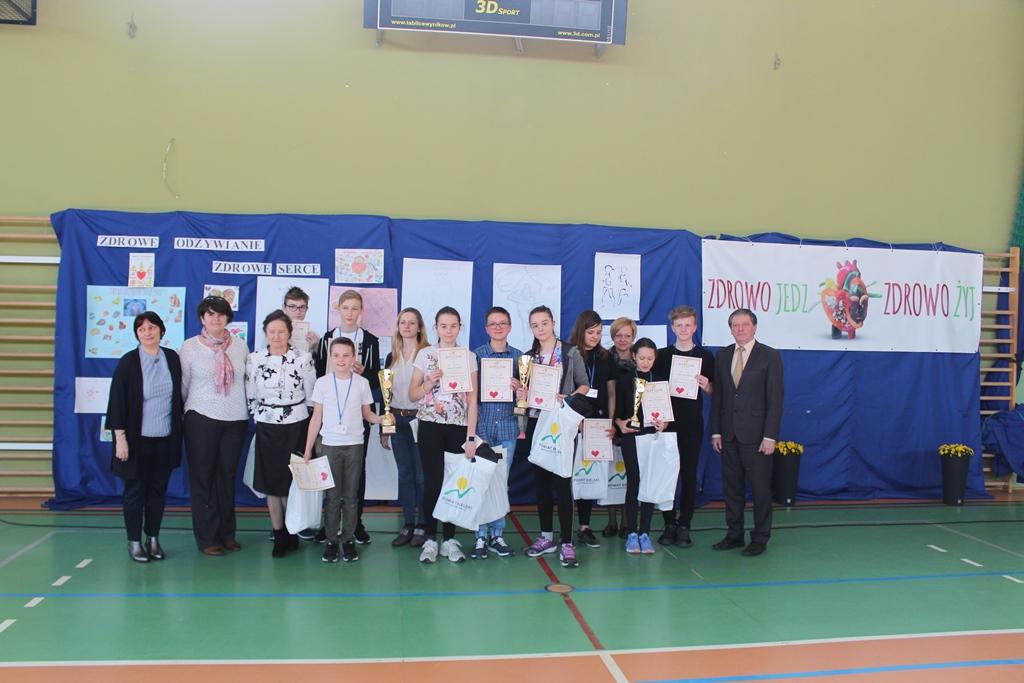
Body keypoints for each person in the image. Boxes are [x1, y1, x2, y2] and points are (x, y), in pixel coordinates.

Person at [105, 312, 183, 563]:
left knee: (158, 492)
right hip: (136, 442)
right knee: (135, 492)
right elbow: (117, 402)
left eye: (152, 327)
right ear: (137, 334)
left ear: (161, 330)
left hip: (165, 439)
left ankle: (153, 538)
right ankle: (134, 542)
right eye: (142, 329)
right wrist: (120, 438)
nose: (147, 332)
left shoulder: (172, 358)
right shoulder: (129, 362)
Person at [710, 308, 784, 557]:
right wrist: (716, 432)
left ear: (755, 327)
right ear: (730, 329)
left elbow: (775, 400)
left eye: (745, 324)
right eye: (735, 325)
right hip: (728, 435)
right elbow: (719, 397)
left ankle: (760, 537)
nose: (740, 329)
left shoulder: (770, 356)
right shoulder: (722, 356)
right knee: (732, 489)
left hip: (757, 437)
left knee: (760, 490)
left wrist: (770, 436)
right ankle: (734, 535)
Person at [303, 337, 384, 563]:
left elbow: (367, 414)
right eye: (336, 355)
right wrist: (308, 449)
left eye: (346, 355)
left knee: (350, 496)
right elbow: (316, 418)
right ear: (330, 357)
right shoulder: (323, 383)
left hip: (354, 445)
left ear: (353, 358)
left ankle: (348, 540)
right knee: (332, 497)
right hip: (329, 445)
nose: (341, 360)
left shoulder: (362, 383)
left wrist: (382, 419)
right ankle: (331, 541)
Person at [409, 306, 479, 564]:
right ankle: (430, 538)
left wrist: (470, 437)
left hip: (458, 427)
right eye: (443, 326)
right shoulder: (425, 354)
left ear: (460, 327)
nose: (448, 331)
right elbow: (412, 394)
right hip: (430, 425)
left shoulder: (468, 357)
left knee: (453, 483)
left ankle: (449, 539)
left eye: (453, 326)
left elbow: (473, 401)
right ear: (436, 328)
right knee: (432, 482)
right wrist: (428, 383)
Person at [521, 305, 590, 568]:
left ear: (553, 323)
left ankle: (567, 542)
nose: (540, 328)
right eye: (535, 325)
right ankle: (546, 537)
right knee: (541, 485)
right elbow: (525, 391)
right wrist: (520, 391)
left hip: (561, 424)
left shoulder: (570, 352)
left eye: (544, 323)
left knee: (562, 484)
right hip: (537, 423)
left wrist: (568, 397)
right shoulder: (528, 358)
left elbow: (585, 385)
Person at [180, 295, 249, 556]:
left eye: (220, 314)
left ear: (228, 318)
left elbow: (246, 382)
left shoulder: (240, 346)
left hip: (235, 419)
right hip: (201, 417)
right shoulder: (189, 347)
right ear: (202, 318)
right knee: (203, 477)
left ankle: (227, 534)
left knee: (227, 477)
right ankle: (208, 538)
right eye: (210, 314)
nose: (215, 318)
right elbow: (184, 385)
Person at [245, 309, 316, 558]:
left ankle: (292, 529)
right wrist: (260, 416)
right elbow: (250, 394)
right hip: (267, 425)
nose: (276, 336)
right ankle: (278, 534)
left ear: (289, 333)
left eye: (281, 332)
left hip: (296, 425)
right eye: (272, 332)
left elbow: (311, 396)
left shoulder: (303, 358)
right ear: (266, 333)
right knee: (271, 484)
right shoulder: (255, 359)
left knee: (291, 483)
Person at [312, 289, 380, 544]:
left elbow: (376, 379)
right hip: (331, 419)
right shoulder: (326, 339)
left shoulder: (370, 341)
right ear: (338, 309)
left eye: (355, 308)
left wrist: (363, 372)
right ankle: (328, 525)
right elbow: (319, 373)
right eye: (346, 307)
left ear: (361, 311)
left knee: (356, 473)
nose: (350, 313)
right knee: (328, 473)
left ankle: (355, 523)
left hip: (357, 416)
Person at [654, 305, 714, 548]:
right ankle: (669, 523)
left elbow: (713, 391)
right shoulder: (662, 356)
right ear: (672, 328)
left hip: (691, 424)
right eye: (679, 325)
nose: (684, 329)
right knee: (666, 474)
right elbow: (653, 389)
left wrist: (707, 386)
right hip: (666, 424)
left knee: (689, 475)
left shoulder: (705, 357)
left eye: (688, 325)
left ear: (695, 327)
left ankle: (685, 525)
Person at [470, 306, 522, 559]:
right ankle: (480, 535)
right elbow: (469, 395)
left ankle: (497, 534)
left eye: (503, 323)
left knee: (501, 483)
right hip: (482, 428)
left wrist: (520, 388)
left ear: (510, 327)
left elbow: (526, 398)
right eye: (493, 324)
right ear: (486, 328)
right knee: (481, 481)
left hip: (508, 428)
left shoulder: (520, 358)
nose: (498, 327)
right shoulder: (477, 356)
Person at [566, 309, 617, 549]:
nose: (595, 337)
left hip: (597, 424)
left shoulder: (605, 357)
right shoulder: (569, 354)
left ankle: (585, 527)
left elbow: (611, 393)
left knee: (588, 474)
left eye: (598, 332)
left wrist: (611, 421)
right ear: (581, 331)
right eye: (591, 332)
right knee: (568, 475)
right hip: (573, 422)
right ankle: (566, 528)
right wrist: (574, 419)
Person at [613, 338, 668, 555]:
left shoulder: (660, 382)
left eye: (650, 358)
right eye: (642, 357)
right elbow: (617, 414)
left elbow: (667, 414)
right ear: (634, 356)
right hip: (631, 438)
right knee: (634, 482)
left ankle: (645, 532)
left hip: (652, 437)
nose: (646, 362)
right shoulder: (624, 381)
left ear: (655, 358)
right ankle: (631, 533)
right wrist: (620, 424)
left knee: (649, 483)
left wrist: (664, 423)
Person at [380, 307, 429, 549]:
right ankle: (408, 523)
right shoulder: (392, 356)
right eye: (403, 322)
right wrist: (385, 426)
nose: (407, 326)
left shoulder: (428, 354)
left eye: (412, 322)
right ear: (398, 327)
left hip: (420, 419)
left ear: (419, 327)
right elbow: (386, 395)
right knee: (405, 474)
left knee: (421, 475)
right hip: (397, 419)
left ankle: (423, 524)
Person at [603, 316, 637, 538]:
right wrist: (611, 421)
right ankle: (611, 521)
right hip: (609, 421)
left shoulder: (639, 359)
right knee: (610, 471)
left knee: (629, 473)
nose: (623, 339)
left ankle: (627, 521)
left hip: (632, 424)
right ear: (612, 336)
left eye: (627, 335)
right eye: (618, 335)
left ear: (633, 337)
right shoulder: (605, 358)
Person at [281, 286, 320, 354]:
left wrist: (316, 348)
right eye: (292, 306)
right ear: (284, 308)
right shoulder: (274, 333)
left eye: (302, 307)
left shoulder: (314, 337)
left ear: (306, 309)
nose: (298, 311)